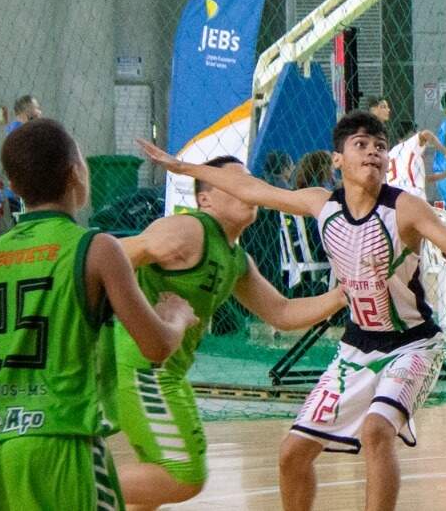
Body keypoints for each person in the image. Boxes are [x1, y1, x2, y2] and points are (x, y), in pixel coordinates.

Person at [138, 111, 446, 511]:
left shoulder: (406, 207)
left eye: (379, 147)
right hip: (357, 347)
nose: (372, 153)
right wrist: (180, 165)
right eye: (361, 145)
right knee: (292, 454)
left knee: (377, 431)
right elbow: (250, 188)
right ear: (337, 159)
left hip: (414, 346)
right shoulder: (320, 204)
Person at [0, 119, 196, 510]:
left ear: (13, 187)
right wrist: (177, 316)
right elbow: (155, 346)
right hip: (59, 440)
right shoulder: (97, 248)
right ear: (75, 174)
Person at [114, 156, 348, 510]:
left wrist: (343, 293)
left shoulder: (235, 258)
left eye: (250, 183)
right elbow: (106, 256)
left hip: (165, 371)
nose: (248, 191)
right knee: (182, 475)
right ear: (205, 199)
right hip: (141, 368)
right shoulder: (188, 230)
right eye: (235, 185)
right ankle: (65, 487)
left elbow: (282, 313)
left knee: (155, 480)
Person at [386, 123, 446, 201]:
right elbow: (427, 134)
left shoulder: (391, 153)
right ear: (411, 134)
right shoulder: (409, 144)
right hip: (413, 196)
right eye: (417, 132)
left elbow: (424, 179)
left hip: (394, 198)